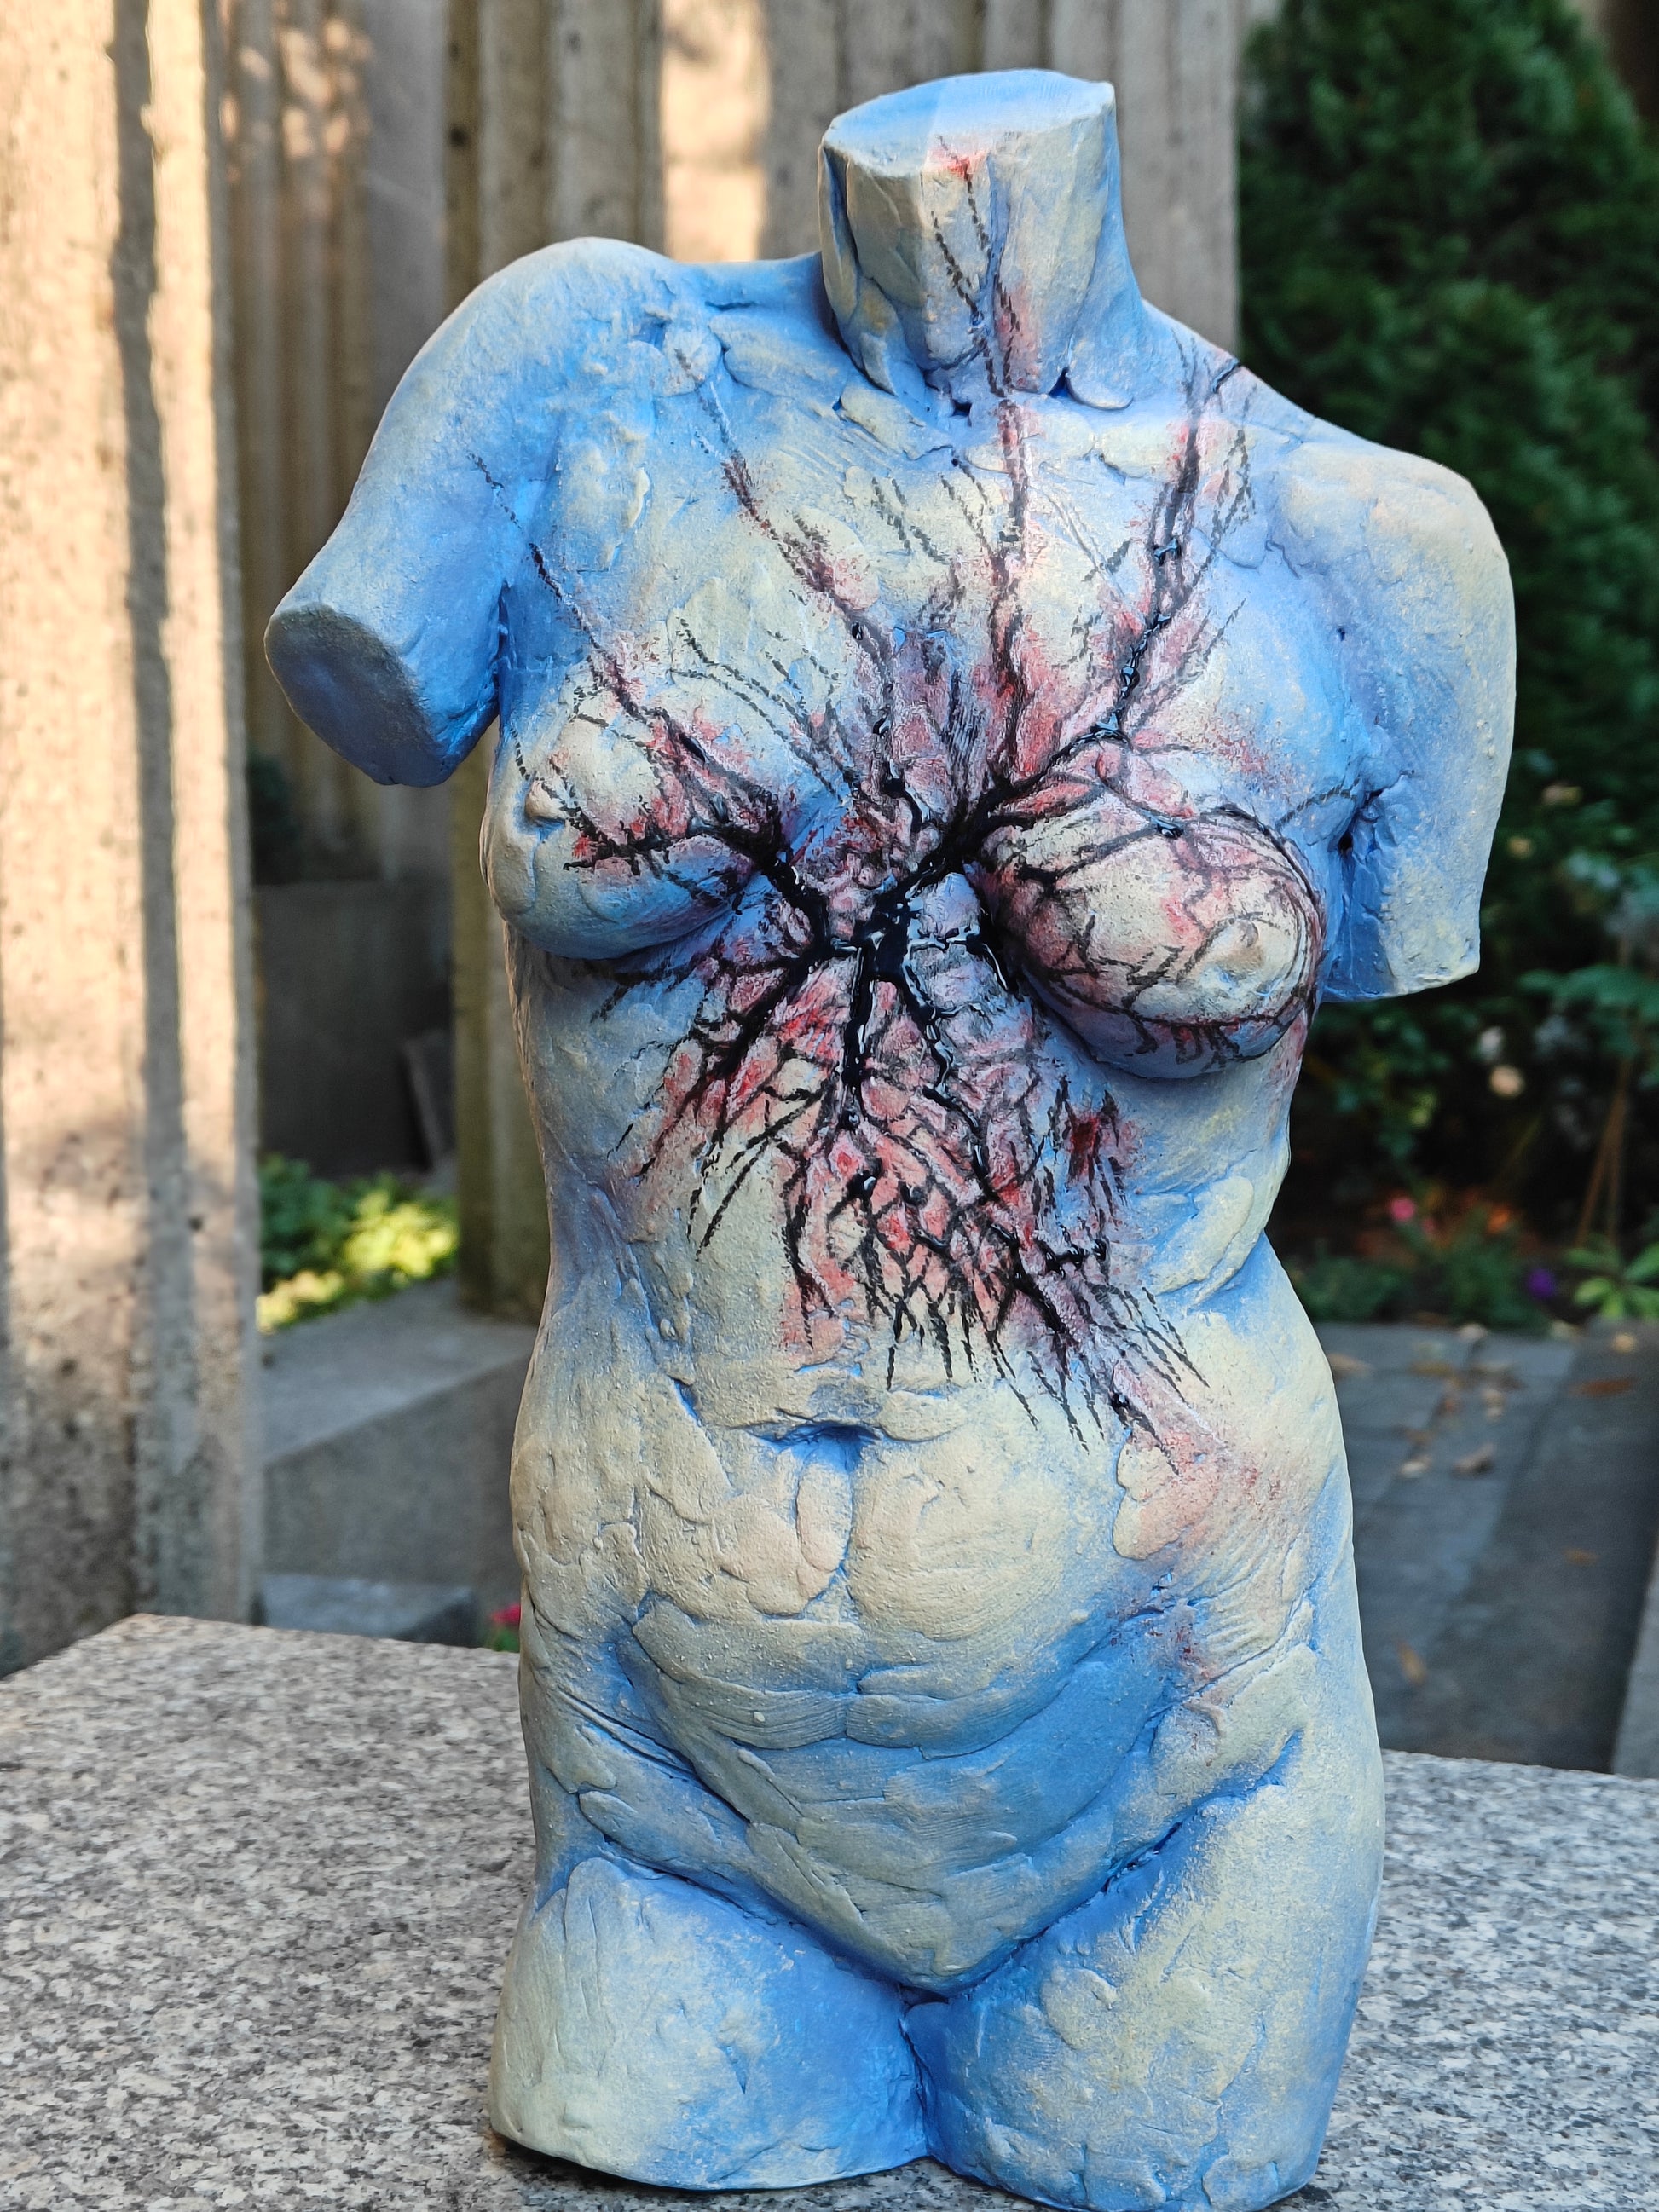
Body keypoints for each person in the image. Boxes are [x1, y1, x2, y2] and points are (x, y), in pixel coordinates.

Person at [269, 69, 1511, 2212]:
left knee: (1162, 2138)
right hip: (668, 1795)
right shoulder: (589, 376)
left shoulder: (1365, 541)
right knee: (633, 2107)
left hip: (1173, 1758)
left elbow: (1378, 950)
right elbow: (374, 677)